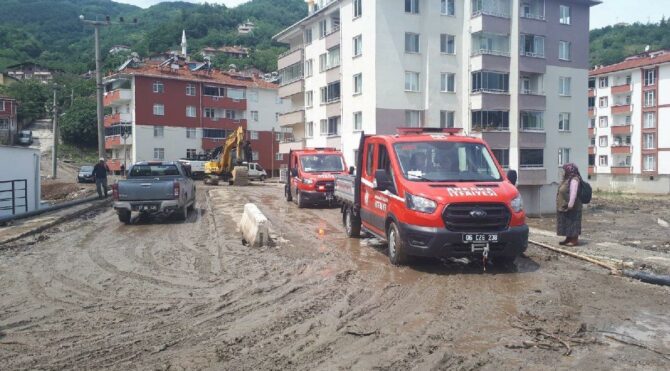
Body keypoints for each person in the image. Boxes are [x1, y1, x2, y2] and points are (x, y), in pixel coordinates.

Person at [556, 163, 583, 246]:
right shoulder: (567, 179)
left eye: (565, 170)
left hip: (572, 207)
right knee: (567, 223)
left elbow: (573, 193)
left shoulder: (574, 179)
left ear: (570, 171)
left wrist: (570, 205)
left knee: (573, 223)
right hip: (564, 205)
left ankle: (574, 240)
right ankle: (568, 238)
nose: (563, 172)